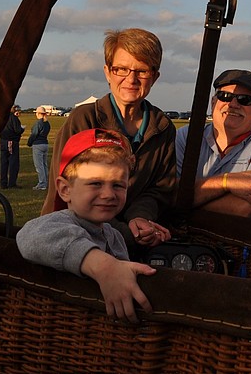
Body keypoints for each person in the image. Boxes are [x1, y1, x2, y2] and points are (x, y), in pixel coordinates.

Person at [41, 28, 175, 258]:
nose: (131, 79)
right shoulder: (83, 120)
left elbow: (161, 189)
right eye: (121, 69)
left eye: (141, 71)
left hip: (134, 246)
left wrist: (140, 217)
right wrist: (126, 233)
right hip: (76, 240)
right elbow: (68, 192)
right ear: (107, 72)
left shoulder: (163, 128)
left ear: (155, 76)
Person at [18, 129, 170, 323]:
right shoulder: (59, 222)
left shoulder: (114, 236)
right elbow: (29, 236)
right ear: (65, 189)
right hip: (60, 324)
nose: (108, 194)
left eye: (118, 185)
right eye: (95, 183)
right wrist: (104, 266)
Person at [175, 69, 251, 218]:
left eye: (245, 99)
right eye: (225, 96)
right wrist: (225, 181)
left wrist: (183, 203)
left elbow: (243, 207)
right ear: (213, 103)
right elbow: (168, 192)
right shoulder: (186, 136)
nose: (233, 104)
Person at [0, 104, 24, 189]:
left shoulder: (2, 117)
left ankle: (3, 183)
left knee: (4, 163)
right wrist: (22, 129)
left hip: (3, 141)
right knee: (13, 163)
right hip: (11, 141)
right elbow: (17, 130)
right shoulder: (13, 118)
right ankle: (12, 183)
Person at [28, 106, 51, 190]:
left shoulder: (38, 123)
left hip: (38, 145)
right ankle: (45, 181)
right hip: (45, 144)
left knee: (39, 166)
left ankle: (42, 184)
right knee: (44, 164)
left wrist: (29, 143)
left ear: (38, 114)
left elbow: (34, 134)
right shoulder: (47, 123)